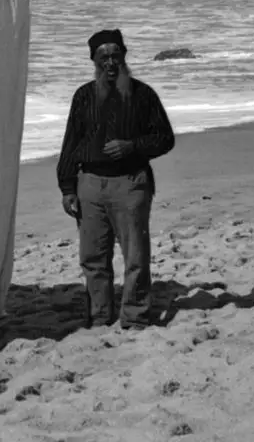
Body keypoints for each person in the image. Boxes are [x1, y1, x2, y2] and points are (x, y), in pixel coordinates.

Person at [58, 28, 176, 329]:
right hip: (90, 186)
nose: (111, 62)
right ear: (94, 60)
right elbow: (71, 143)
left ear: (124, 56)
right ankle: (100, 317)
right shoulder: (83, 96)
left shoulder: (143, 94)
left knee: (135, 256)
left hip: (130, 183)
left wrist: (132, 146)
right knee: (92, 258)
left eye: (116, 55)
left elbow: (164, 138)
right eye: (103, 57)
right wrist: (68, 187)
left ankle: (135, 316)